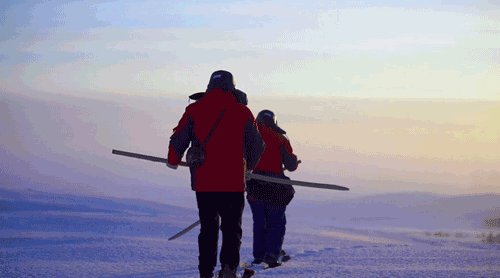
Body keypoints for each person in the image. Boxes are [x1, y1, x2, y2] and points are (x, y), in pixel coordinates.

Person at [167, 70, 265, 278]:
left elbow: (177, 140)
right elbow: (257, 146)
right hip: (233, 183)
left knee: (208, 229)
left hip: (204, 182)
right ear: (232, 88)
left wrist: (173, 162)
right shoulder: (242, 112)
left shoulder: (194, 109)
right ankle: (229, 269)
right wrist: (248, 168)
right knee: (231, 229)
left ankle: (206, 272)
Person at [245, 109, 299, 268]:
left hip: (254, 186)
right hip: (275, 188)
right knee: (276, 222)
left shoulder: (249, 135)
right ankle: (272, 255)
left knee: (260, 221)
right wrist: (293, 160)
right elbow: (291, 165)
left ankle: (259, 255)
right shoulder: (280, 138)